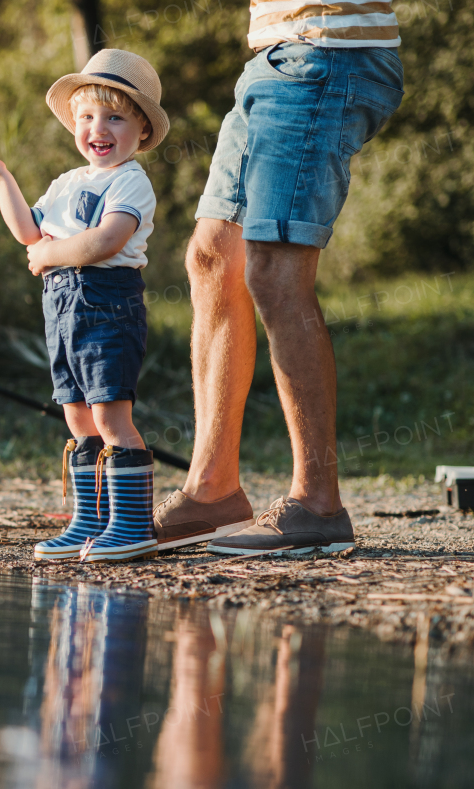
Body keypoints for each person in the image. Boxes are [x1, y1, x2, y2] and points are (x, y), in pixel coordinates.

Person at [154, 5, 405, 556]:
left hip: (326, 52)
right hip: (273, 55)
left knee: (273, 267)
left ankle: (318, 504)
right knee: (214, 256)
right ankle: (212, 489)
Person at [0, 49, 170, 563]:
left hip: (106, 301)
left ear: (141, 131)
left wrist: (51, 254)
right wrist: (1, 179)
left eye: (115, 117)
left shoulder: (130, 182)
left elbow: (104, 240)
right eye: (87, 117)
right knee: (76, 414)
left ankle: (132, 525)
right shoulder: (66, 182)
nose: (98, 128)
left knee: (110, 413)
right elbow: (28, 232)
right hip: (61, 307)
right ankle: (90, 520)